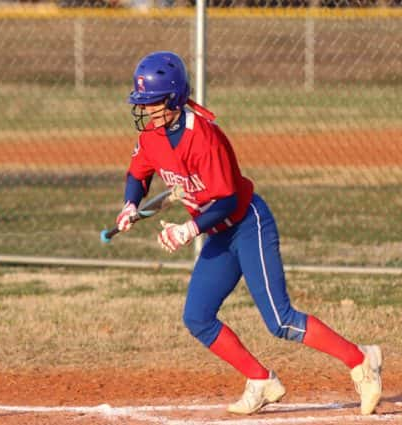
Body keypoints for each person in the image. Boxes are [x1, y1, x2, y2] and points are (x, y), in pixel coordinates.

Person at [115, 51, 383, 416]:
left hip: (247, 224)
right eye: (142, 103)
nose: (146, 110)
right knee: (198, 316)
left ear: (175, 98)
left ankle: (362, 360)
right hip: (218, 236)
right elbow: (138, 174)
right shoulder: (153, 136)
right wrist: (131, 204)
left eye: (153, 102)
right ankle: (260, 379)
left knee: (280, 319)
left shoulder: (204, 137)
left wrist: (188, 230)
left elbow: (226, 201)